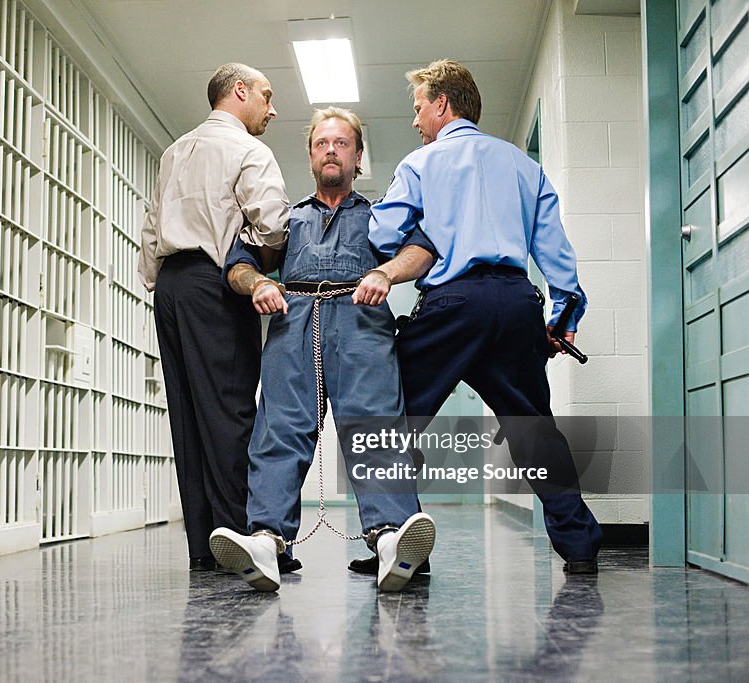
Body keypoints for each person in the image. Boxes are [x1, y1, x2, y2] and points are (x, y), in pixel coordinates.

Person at [363, 59, 602, 574]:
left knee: (390, 418)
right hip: (517, 304)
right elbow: (554, 249)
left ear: (442, 104)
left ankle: (400, 544)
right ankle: (581, 549)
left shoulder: (420, 164)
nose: (415, 120)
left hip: (453, 305)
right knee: (535, 432)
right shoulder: (523, 165)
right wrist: (564, 313)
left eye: (418, 107)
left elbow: (382, 236)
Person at [207, 107, 437, 593]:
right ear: (311, 156)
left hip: (360, 320)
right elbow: (239, 264)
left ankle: (393, 539)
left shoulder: (380, 216)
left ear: (357, 156)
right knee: (280, 430)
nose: (331, 149)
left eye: (342, 143)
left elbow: (421, 251)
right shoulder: (285, 221)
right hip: (293, 322)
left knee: (374, 429)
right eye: (321, 143)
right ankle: (267, 542)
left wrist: (385, 272)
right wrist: (255, 287)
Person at [138, 63, 289, 571]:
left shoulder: (174, 151)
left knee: (188, 416)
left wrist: (163, 283)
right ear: (239, 91)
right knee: (230, 410)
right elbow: (272, 226)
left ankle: (204, 545)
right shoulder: (248, 150)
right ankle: (245, 540)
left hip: (171, 287)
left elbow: (152, 227)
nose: (273, 108)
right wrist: (261, 266)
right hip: (215, 284)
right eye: (266, 96)